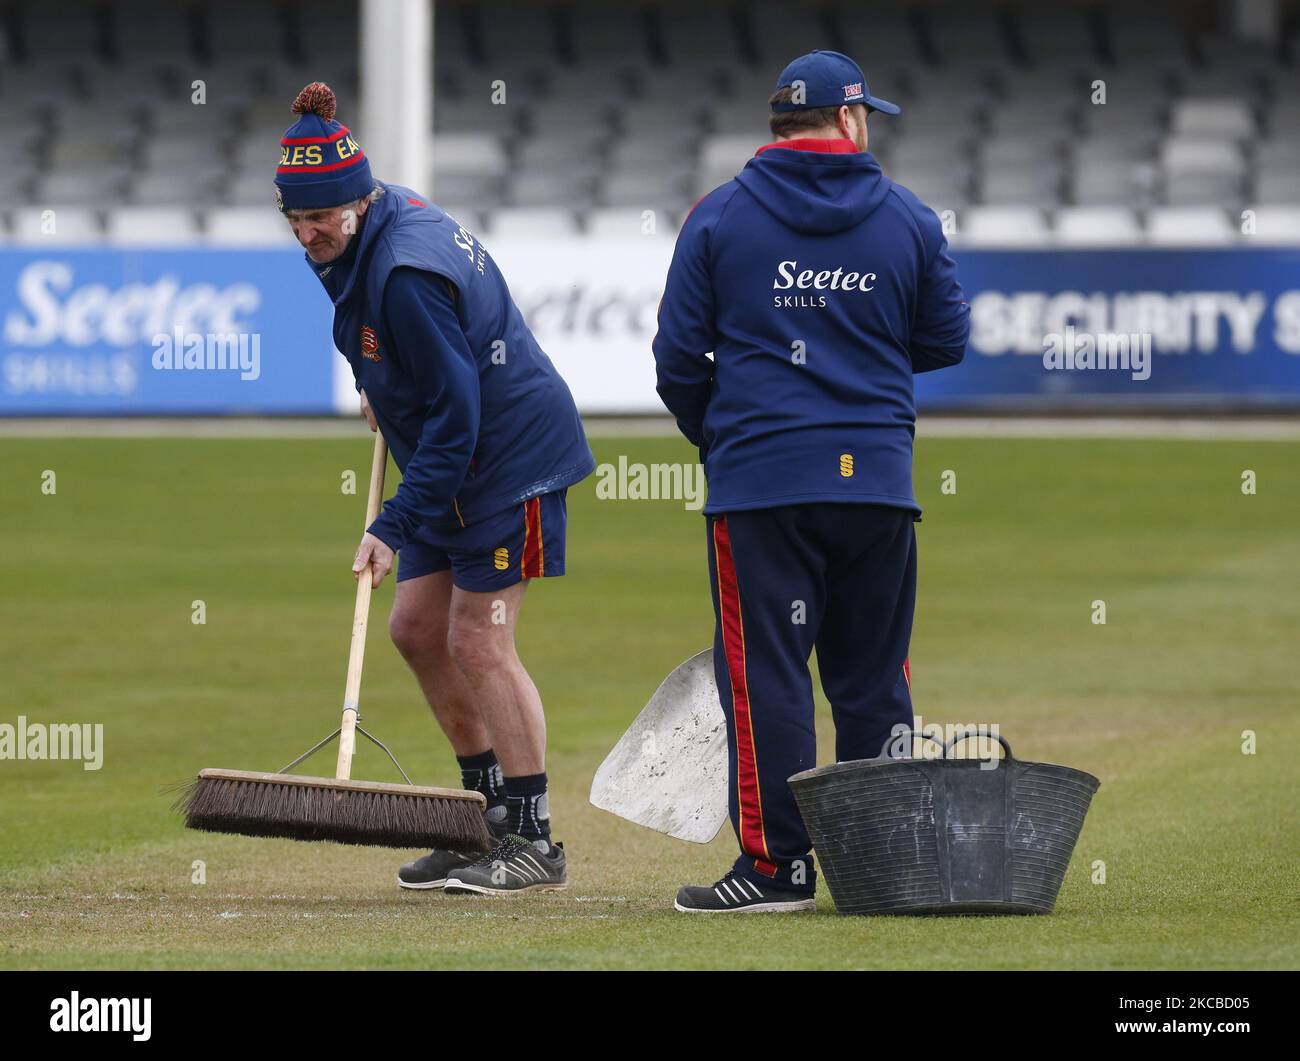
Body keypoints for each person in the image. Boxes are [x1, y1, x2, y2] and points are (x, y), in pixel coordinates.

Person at [653, 51, 969, 913]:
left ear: (778, 127)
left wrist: (723, 436)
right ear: (855, 119)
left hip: (761, 483)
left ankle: (776, 867)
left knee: (768, 676)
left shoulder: (717, 217)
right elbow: (944, 341)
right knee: (874, 678)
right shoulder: (908, 219)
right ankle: (880, 863)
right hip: (875, 481)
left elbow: (677, 361)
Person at [274, 82, 594, 895]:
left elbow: (460, 416)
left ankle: (534, 837)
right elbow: (386, 344)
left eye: (320, 218)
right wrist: (380, 385)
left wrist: (392, 522)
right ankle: (479, 815)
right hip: (452, 458)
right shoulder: (356, 234)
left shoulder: (407, 271)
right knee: (416, 629)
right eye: (295, 219)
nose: (307, 234)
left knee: (479, 639)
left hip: (506, 460)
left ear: (360, 199)